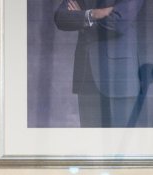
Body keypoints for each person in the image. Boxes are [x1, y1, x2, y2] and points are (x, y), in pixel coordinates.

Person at [53, 0, 146, 128]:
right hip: (87, 75)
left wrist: (81, 17)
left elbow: (117, 22)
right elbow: (60, 18)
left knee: (120, 142)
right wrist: (93, 14)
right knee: (91, 142)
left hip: (119, 77)